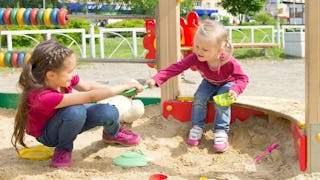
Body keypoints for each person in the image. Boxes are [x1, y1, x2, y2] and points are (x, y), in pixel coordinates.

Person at [11, 39, 144, 168]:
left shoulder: (62, 78)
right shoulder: (41, 96)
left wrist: (122, 92)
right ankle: (63, 149)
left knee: (109, 111)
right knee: (76, 110)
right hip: (49, 134)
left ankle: (112, 134)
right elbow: (90, 96)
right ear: (51, 75)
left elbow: (88, 87)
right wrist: (122, 87)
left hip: (69, 120)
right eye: (70, 71)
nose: (74, 74)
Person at [145, 20, 249, 152]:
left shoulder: (228, 62)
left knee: (222, 101)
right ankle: (197, 127)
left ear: (219, 50)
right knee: (199, 97)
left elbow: (243, 78)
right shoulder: (195, 57)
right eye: (197, 46)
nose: (199, 51)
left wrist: (235, 90)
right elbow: (177, 68)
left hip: (227, 83)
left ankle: (221, 131)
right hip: (209, 82)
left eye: (205, 49)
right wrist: (156, 79)